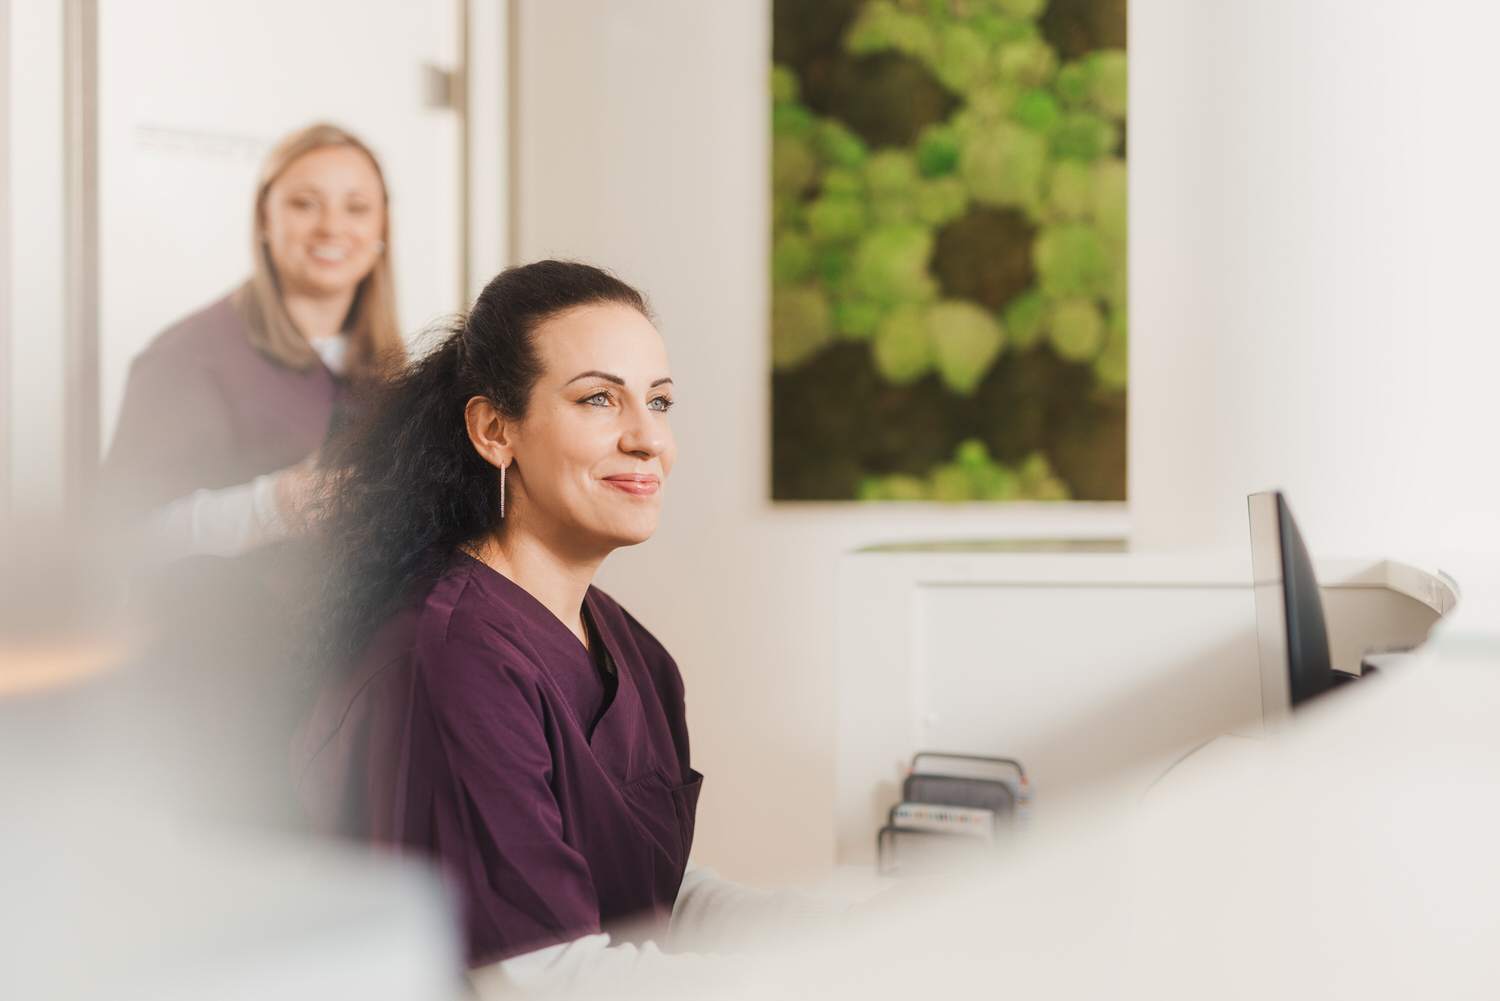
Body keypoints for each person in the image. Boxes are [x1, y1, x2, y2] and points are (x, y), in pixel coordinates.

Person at [295, 261, 846, 995]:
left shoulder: (633, 652)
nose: (648, 439)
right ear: (495, 429)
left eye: (660, 401)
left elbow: (649, 890)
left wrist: (844, 932)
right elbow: (543, 976)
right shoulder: (453, 658)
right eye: (599, 399)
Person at [103, 122, 405, 558]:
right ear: (265, 215)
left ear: (382, 225)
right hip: (221, 624)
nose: (332, 226)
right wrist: (275, 506)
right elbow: (120, 534)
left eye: (356, 207)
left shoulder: (385, 368)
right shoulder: (191, 353)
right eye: (305, 204)